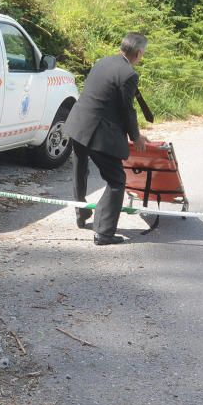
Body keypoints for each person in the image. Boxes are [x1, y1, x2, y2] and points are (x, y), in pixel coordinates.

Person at [63, 32, 150, 246]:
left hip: (78, 123)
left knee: (80, 169)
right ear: (138, 53)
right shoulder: (129, 74)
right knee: (116, 180)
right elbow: (127, 110)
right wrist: (136, 136)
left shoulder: (103, 61)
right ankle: (103, 232)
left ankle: (81, 213)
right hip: (97, 131)